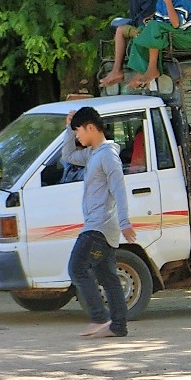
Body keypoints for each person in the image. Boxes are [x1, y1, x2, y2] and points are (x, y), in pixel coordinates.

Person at [63, 107, 137, 338]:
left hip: (99, 227)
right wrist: (68, 128)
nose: (77, 137)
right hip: (102, 227)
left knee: (76, 267)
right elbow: (67, 156)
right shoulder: (92, 154)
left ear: (91, 128)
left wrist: (125, 222)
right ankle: (118, 326)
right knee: (108, 278)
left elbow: (119, 190)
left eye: (78, 131)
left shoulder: (107, 155)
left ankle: (99, 317)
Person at [126, 0, 191, 90]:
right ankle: (141, 71)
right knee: (141, 31)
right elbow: (161, 22)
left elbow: (176, 24)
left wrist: (167, 1)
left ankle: (152, 68)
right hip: (170, 35)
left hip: (185, 36)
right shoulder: (160, 0)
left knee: (154, 27)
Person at [100, 0, 160, 87]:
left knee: (120, 28)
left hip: (142, 26)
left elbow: (134, 14)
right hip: (158, 21)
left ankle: (117, 70)